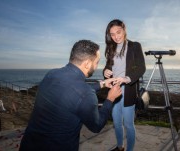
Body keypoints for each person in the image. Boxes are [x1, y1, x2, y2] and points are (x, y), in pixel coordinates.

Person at [19, 40, 122, 151]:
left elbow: (72, 92)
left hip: (29, 144)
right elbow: (96, 126)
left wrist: (102, 84)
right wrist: (110, 99)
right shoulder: (85, 93)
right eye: (97, 62)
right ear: (87, 64)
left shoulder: (51, 74)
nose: (97, 66)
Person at [103, 19, 146, 151]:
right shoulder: (111, 49)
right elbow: (108, 67)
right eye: (112, 34)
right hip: (114, 90)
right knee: (116, 123)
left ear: (124, 30)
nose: (116, 36)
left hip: (128, 90)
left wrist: (126, 78)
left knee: (128, 125)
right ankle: (120, 147)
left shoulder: (135, 46)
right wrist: (105, 71)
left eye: (118, 32)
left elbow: (141, 68)